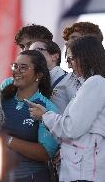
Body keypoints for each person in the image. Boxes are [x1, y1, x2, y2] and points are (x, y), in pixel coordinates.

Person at [28, 36, 105, 182]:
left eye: (70, 59)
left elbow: (72, 128)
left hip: (85, 174)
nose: (69, 66)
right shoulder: (92, 84)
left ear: (85, 57)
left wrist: (44, 115)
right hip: (81, 171)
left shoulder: (95, 83)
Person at [1, 50, 59, 182]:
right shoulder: (3, 96)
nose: (17, 71)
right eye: (15, 66)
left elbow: (45, 153)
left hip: (30, 177)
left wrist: (8, 140)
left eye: (23, 67)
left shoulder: (47, 108)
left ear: (38, 74)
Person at [29, 40, 80, 114]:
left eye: (37, 51)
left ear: (54, 57)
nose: (30, 56)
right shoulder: (32, 82)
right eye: (29, 52)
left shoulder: (70, 80)